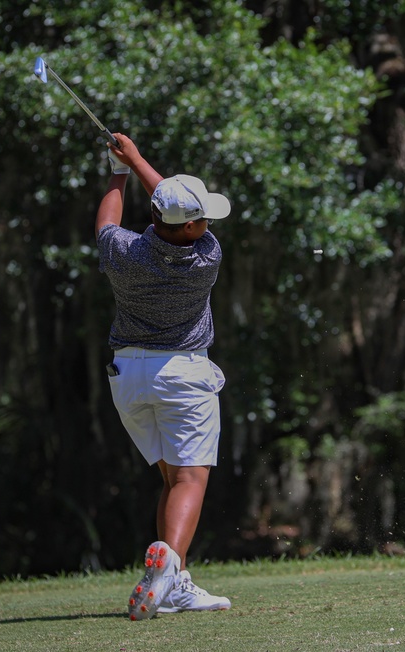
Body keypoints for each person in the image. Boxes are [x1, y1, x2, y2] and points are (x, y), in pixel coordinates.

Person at [95, 133, 232, 620]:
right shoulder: (205, 256)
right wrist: (136, 160)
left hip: (127, 375)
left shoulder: (124, 253)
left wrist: (119, 171)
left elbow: (109, 220)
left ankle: (176, 583)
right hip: (182, 375)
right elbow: (176, 210)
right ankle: (168, 567)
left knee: (173, 480)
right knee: (192, 480)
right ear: (195, 225)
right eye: (204, 216)